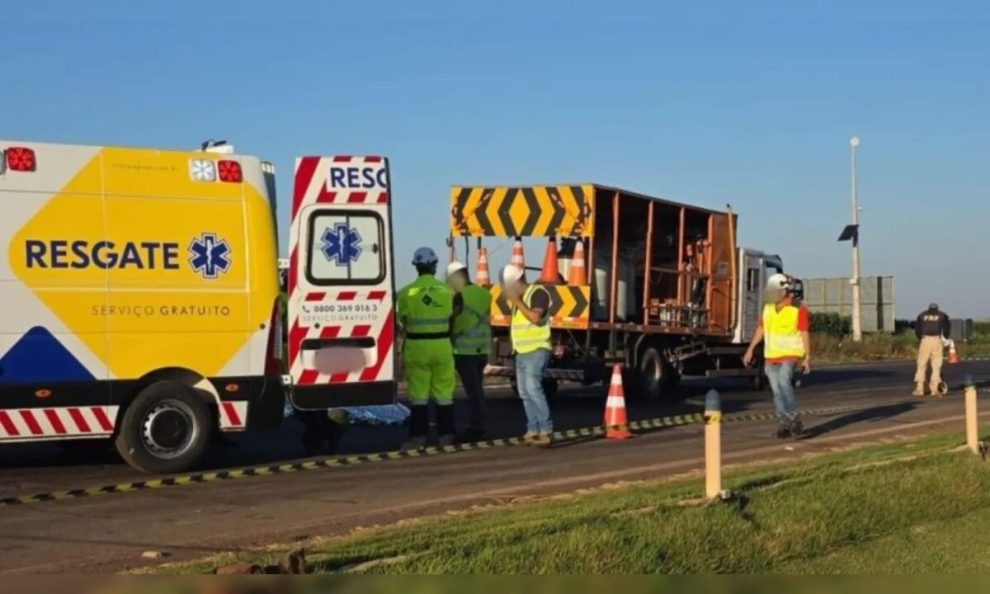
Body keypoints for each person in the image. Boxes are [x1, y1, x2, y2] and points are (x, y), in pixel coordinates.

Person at [396, 247, 457, 449]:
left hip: (416, 346)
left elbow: (400, 321)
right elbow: (455, 314)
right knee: (444, 393)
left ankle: (417, 438)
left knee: (419, 395)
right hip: (441, 345)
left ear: (416, 267)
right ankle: (446, 436)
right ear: (434, 265)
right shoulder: (448, 291)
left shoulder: (405, 293)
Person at [743, 273, 811, 438]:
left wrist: (807, 357)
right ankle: (784, 424)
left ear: (783, 291)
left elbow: (804, 333)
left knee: (783, 382)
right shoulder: (768, 308)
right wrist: (750, 349)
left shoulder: (798, 309)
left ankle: (794, 419)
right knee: (776, 391)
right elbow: (761, 329)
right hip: (771, 355)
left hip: (791, 353)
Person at [500, 264, 554, 446]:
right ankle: (533, 429)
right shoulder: (521, 299)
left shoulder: (538, 293)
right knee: (524, 392)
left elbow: (535, 317)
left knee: (533, 389)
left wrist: (517, 302)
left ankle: (546, 429)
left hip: (537, 349)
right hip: (522, 352)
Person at [446, 261, 492, 442]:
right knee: (477, 390)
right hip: (481, 350)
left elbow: (452, 320)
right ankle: (479, 423)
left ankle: (476, 427)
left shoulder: (458, 296)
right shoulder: (484, 294)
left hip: (463, 349)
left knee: (471, 391)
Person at [913, 303, 951, 397]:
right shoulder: (942, 315)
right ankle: (935, 389)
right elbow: (946, 330)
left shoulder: (922, 315)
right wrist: (943, 339)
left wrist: (922, 338)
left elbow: (917, 330)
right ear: (937, 308)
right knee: (936, 365)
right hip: (937, 340)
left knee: (921, 364)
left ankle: (920, 389)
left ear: (928, 308)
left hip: (925, 340)